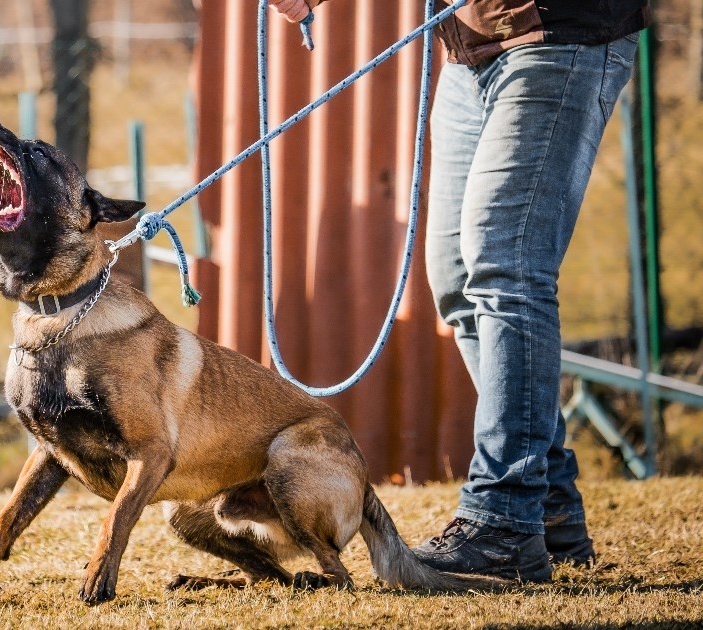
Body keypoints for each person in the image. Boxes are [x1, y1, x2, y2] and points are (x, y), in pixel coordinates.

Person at [269, 0, 650, 581]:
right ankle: (550, 514)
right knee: (456, 281)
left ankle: (504, 521)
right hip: (469, 51)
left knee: (506, 267)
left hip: (557, 36)